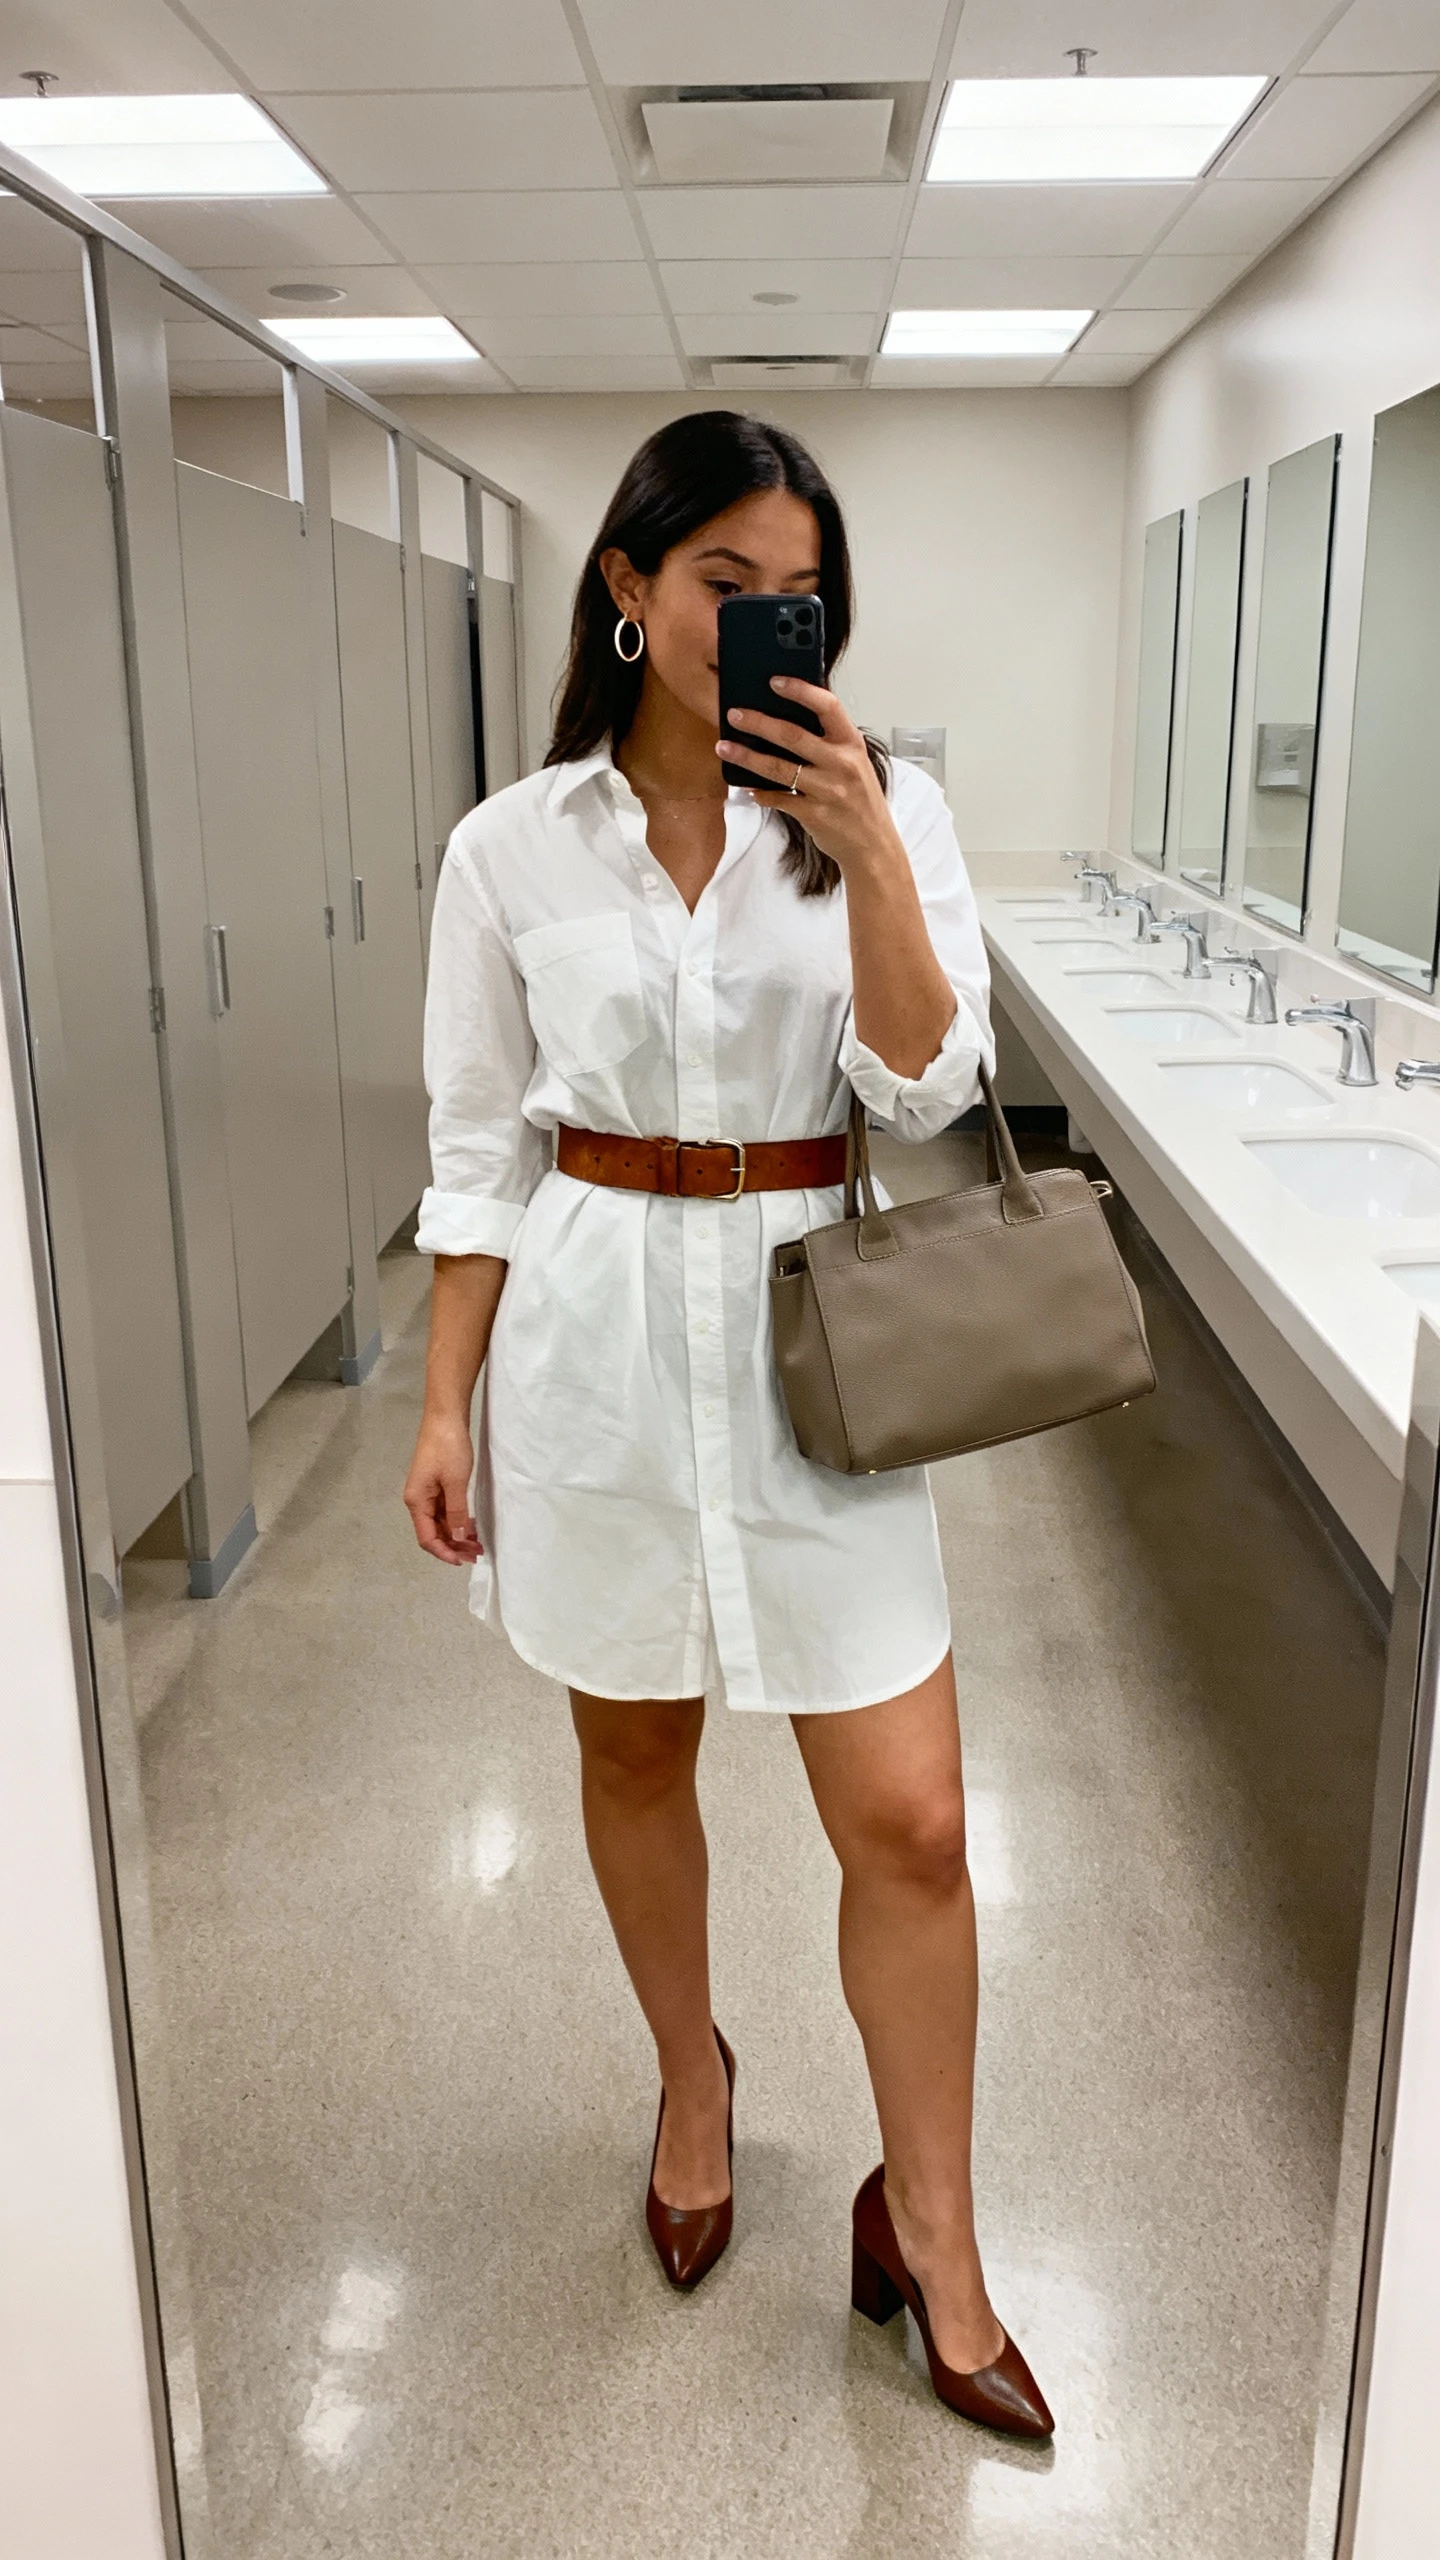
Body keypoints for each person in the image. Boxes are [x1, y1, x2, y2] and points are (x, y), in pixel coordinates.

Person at [403, 411, 1052, 2439]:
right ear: (627, 586)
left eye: (802, 591)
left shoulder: (892, 811)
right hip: (592, 1335)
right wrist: (440, 1401)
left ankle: (930, 2222)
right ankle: (694, 2077)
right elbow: (473, 1148)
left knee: (917, 1818)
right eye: (727, 582)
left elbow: (935, 1087)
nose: (771, 617)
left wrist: (864, 850)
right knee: (628, 1741)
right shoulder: (509, 846)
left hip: (808, 1333)